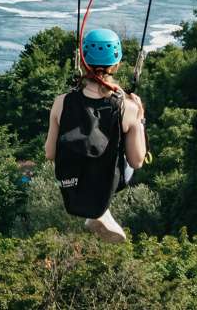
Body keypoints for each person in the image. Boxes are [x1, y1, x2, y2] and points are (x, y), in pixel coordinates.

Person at [45, 28, 148, 243]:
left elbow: (50, 153)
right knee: (127, 151)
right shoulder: (127, 107)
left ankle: (100, 211)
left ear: (82, 62)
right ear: (116, 64)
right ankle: (102, 209)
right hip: (110, 178)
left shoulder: (61, 102)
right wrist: (139, 120)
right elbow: (137, 161)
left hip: (73, 178)